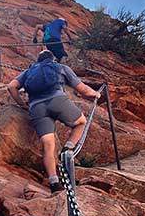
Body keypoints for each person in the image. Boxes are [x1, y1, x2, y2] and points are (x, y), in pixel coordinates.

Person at [8, 48, 100, 194]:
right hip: (57, 101)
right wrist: (96, 93)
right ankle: (68, 148)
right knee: (81, 122)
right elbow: (83, 90)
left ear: (38, 61)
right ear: (53, 59)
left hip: (36, 107)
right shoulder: (60, 67)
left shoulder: (29, 71)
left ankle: (54, 182)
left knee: (48, 145)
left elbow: (11, 86)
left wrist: (22, 104)